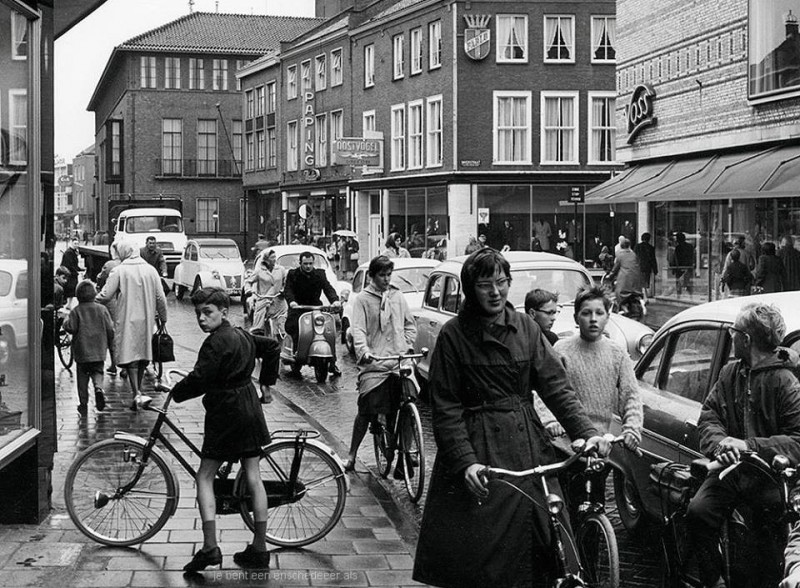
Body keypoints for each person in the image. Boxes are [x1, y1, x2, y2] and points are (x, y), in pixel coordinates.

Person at [412, 248, 611, 587]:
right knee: (486, 553)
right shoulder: (453, 336)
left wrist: (587, 432)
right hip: (479, 450)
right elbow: (446, 408)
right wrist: (466, 462)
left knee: (547, 536)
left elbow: (556, 388)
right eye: (485, 284)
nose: (495, 292)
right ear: (469, 289)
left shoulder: (525, 328)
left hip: (527, 443)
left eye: (502, 282)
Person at [685, 303, 800, 588]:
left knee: (762, 548)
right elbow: (709, 416)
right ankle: (714, 580)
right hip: (730, 471)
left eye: (734, 332)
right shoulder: (729, 373)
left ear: (746, 340)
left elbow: (798, 441)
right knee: (698, 512)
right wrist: (721, 442)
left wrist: (750, 445)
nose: (731, 335)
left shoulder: (786, 382)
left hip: (771, 479)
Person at [169, 287, 280, 573]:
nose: (202, 319)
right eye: (198, 314)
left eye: (207, 312)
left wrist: (174, 393)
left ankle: (209, 547)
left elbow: (200, 378)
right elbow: (271, 347)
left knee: (204, 476)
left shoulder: (214, 343)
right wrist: (267, 383)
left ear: (223, 312)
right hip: (250, 409)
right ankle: (259, 548)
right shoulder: (242, 334)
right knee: (253, 476)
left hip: (226, 414)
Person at [343, 256, 417, 476]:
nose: (386, 279)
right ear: (373, 277)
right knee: (366, 408)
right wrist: (364, 352)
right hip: (376, 363)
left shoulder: (397, 296)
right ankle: (352, 454)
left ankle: (406, 452)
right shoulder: (363, 300)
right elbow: (359, 330)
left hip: (398, 361)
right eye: (382, 275)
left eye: (389, 275)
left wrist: (407, 345)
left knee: (409, 401)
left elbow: (409, 325)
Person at [96, 241, 167, 409]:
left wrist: (90, 298)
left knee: (131, 358)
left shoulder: (119, 270)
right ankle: (138, 391)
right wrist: (163, 318)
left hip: (127, 317)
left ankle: (136, 393)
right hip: (147, 319)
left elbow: (106, 295)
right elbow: (160, 297)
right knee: (142, 356)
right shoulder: (151, 270)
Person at [284, 251, 342, 378]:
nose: (308, 266)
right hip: (298, 309)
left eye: (310, 263)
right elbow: (288, 290)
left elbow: (328, 288)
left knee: (328, 331)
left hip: (315, 308)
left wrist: (335, 300)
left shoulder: (319, 274)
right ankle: (296, 360)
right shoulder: (293, 274)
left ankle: (332, 363)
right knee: (296, 329)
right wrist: (292, 302)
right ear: (300, 263)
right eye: (305, 264)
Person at [63, 280, 114, 416]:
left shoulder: (76, 311)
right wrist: (110, 343)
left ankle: (83, 403)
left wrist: (65, 321)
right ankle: (98, 388)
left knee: (82, 378)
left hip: (82, 351)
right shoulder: (102, 310)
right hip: (98, 350)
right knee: (98, 372)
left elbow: (71, 327)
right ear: (94, 294)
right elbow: (110, 328)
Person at [245, 249, 287, 342]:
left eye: (275, 257)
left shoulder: (281, 270)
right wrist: (249, 290)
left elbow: (286, 282)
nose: (274, 259)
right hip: (263, 300)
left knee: (282, 327)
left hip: (278, 300)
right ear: (266, 260)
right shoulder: (259, 271)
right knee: (257, 327)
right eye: (272, 257)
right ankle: (257, 342)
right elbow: (248, 281)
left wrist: (283, 290)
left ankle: (282, 346)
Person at [606, 237, 643, 302]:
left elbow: (615, 268)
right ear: (629, 245)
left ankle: (622, 307)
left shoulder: (619, 255)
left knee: (619, 293)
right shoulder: (634, 254)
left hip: (625, 281)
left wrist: (610, 275)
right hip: (636, 281)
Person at [634, 232, 658, 296]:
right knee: (646, 282)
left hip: (639, 267)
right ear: (649, 239)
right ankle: (645, 295)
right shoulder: (651, 248)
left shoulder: (638, 246)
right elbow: (653, 259)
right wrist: (655, 269)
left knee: (639, 282)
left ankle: (642, 295)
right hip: (647, 267)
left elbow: (634, 257)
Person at [60, 238, 83, 306]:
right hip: (69, 274)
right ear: (71, 243)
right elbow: (70, 264)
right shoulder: (69, 252)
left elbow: (74, 264)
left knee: (71, 290)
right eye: (75, 243)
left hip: (70, 273)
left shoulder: (72, 252)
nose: (76, 245)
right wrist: (76, 271)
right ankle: (68, 304)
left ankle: (69, 304)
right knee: (70, 289)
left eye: (77, 244)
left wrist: (80, 269)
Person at [672, 232, 695, 297]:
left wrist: (674, 268)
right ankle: (690, 295)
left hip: (680, 267)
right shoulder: (690, 246)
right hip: (688, 266)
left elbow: (676, 258)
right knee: (688, 282)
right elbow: (692, 256)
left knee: (679, 282)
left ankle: (679, 295)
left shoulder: (678, 247)